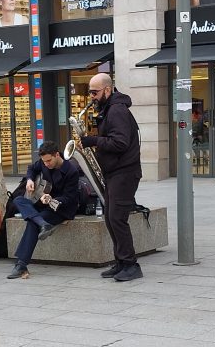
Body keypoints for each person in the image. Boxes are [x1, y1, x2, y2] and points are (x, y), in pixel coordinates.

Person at [80, 73, 143, 282]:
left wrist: (93, 141)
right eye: (90, 93)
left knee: (117, 218)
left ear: (107, 90)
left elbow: (120, 143)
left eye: (95, 92)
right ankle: (121, 262)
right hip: (115, 172)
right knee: (109, 217)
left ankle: (131, 264)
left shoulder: (117, 110)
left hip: (124, 172)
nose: (92, 97)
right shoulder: (109, 109)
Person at [7, 141, 80, 279]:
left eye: (49, 161)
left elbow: (70, 197)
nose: (46, 164)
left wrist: (52, 199)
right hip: (42, 203)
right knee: (17, 200)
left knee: (31, 223)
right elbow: (32, 168)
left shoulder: (71, 171)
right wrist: (29, 180)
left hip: (60, 208)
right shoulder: (42, 162)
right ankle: (43, 224)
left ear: (57, 155)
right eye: (44, 161)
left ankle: (21, 264)